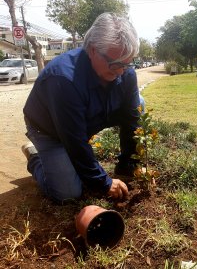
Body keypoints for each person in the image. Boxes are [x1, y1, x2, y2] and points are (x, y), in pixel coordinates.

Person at [22, 12, 144, 204]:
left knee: (139, 104)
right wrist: (103, 182)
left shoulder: (125, 71)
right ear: (93, 50)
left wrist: (131, 162)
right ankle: (36, 159)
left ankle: (124, 163)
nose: (121, 71)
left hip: (89, 118)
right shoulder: (64, 79)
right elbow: (74, 141)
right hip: (50, 131)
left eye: (127, 64)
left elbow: (132, 120)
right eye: (115, 64)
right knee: (68, 193)